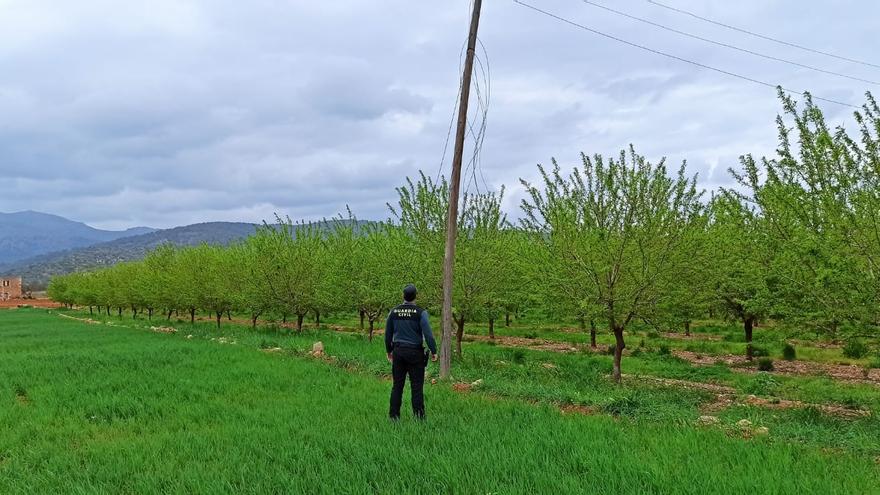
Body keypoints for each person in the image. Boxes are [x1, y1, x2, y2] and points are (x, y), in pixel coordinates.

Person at [385, 284, 437, 420]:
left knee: (397, 386)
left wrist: (389, 350)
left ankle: (394, 417)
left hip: (399, 352)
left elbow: (388, 334)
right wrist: (433, 350)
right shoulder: (421, 313)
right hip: (415, 354)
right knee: (417, 387)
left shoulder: (393, 312)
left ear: (403, 296)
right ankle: (419, 418)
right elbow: (429, 334)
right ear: (415, 296)